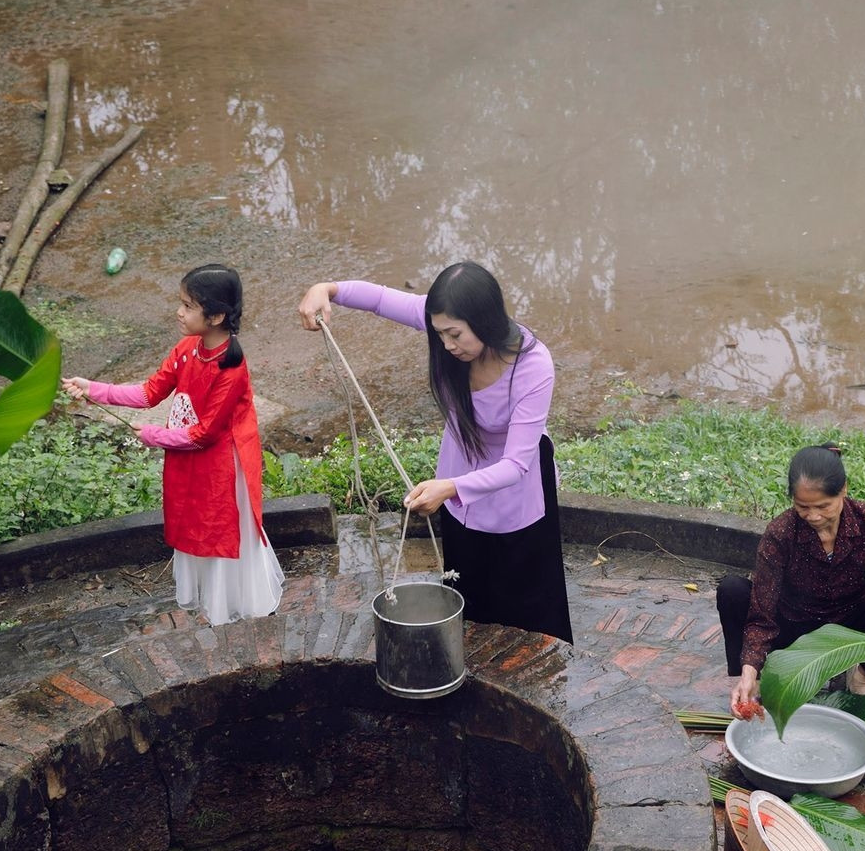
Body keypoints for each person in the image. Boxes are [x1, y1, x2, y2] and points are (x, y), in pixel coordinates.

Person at [295, 262, 573, 642]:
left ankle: (532, 666)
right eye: (440, 333)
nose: (446, 345)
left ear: (486, 321)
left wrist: (450, 488)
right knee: (467, 583)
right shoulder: (444, 325)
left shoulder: (532, 364)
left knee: (522, 597)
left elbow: (515, 464)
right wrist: (325, 287)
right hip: (459, 474)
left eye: (455, 335)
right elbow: (377, 299)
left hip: (514, 489)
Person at [63, 263, 285, 626]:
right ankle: (210, 602)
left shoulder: (231, 370)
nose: (178, 312)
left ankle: (229, 603)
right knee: (194, 522)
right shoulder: (187, 348)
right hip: (190, 458)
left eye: (187, 305)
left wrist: (153, 435)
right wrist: (93, 389)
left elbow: (204, 434)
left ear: (214, 316)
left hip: (221, 467)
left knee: (218, 529)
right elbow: (151, 392)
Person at [721, 443, 865, 720]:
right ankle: (758, 681)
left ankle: (859, 674)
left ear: (844, 489)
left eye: (824, 506)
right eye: (803, 507)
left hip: (848, 632)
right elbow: (762, 614)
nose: (813, 516)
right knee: (732, 591)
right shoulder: (781, 533)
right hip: (794, 628)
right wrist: (749, 668)